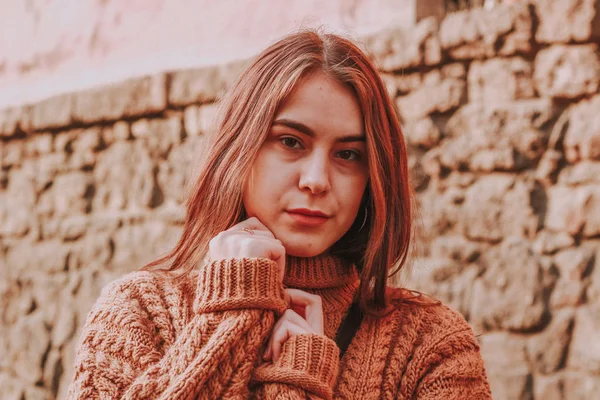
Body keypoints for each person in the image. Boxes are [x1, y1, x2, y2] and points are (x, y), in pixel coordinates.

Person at [66, 30, 492, 399]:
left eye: (348, 154)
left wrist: (297, 381)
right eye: (290, 142)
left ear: (373, 177)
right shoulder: (137, 313)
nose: (316, 179)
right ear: (239, 149)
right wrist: (232, 313)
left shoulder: (431, 345)